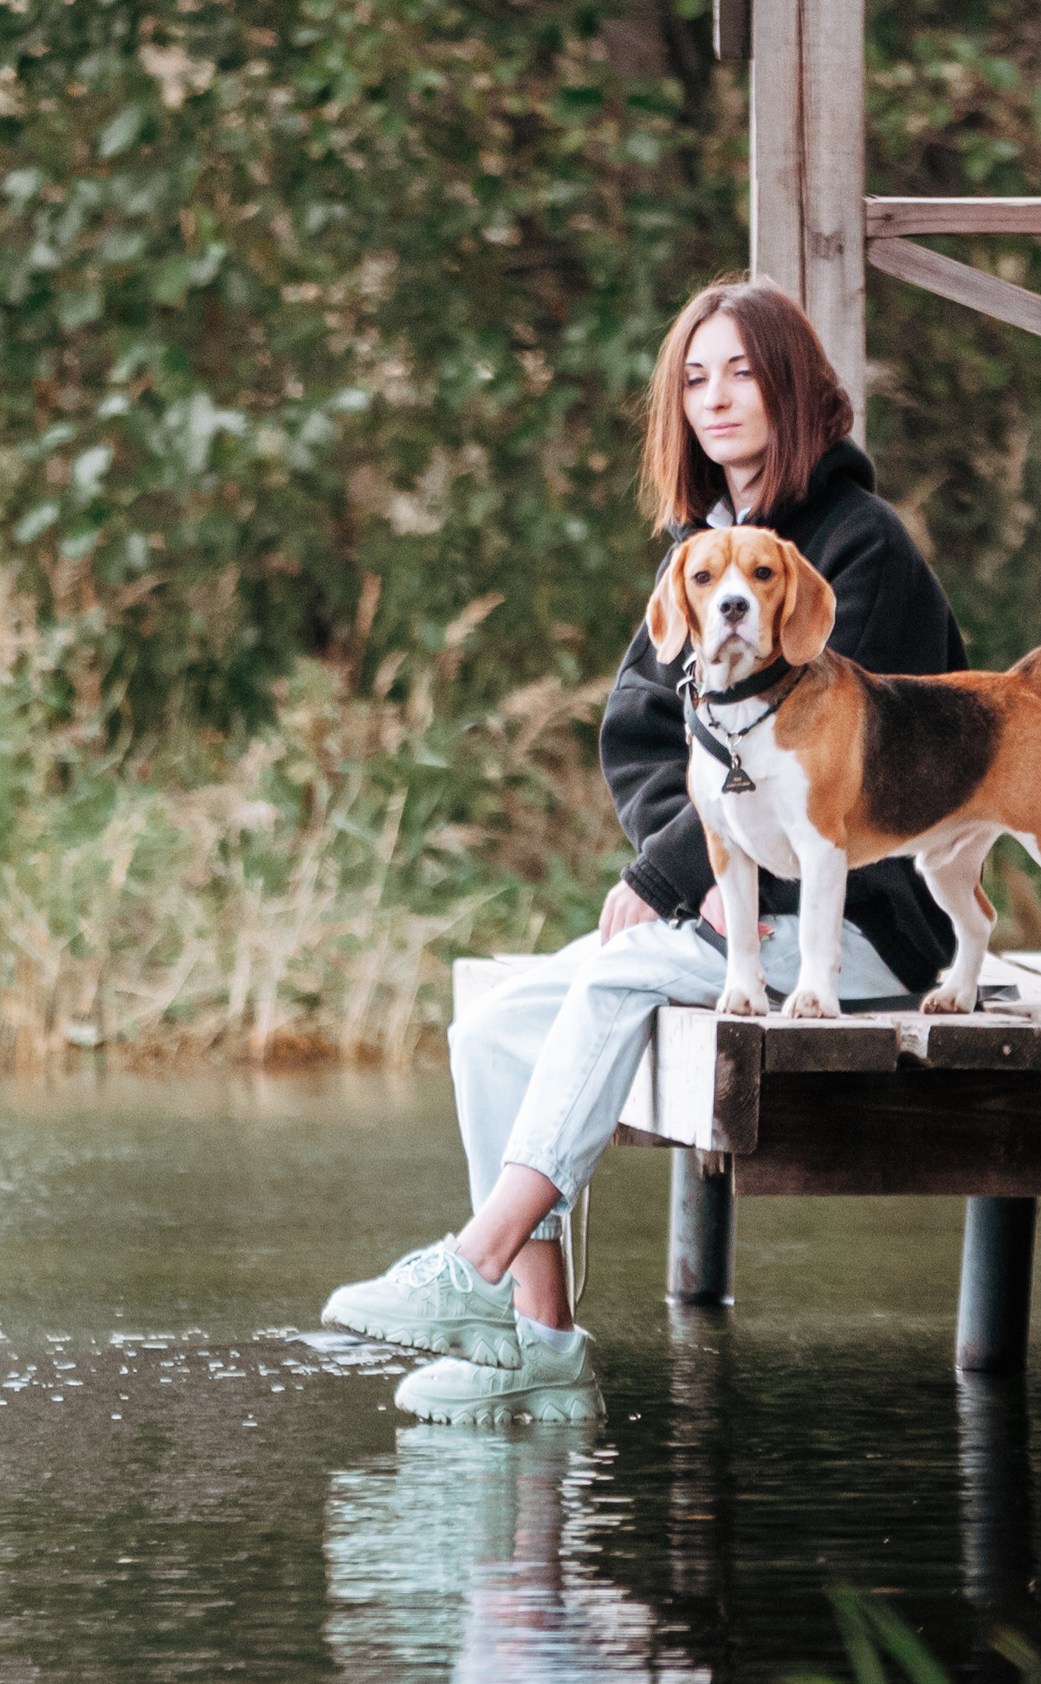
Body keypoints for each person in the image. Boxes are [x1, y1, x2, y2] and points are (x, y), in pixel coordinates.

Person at [322, 277, 970, 1425]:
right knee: (492, 1016)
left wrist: (673, 878)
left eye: (740, 372)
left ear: (795, 389)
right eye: (693, 375)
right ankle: (536, 1338)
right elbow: (637, 727)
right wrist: (698, 875)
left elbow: (805, 760)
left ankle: (468, 1263)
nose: (715, 397)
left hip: (858, 928)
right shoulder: (699, 550)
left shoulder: (856, 550)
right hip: (735, 909)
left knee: (619, 970)